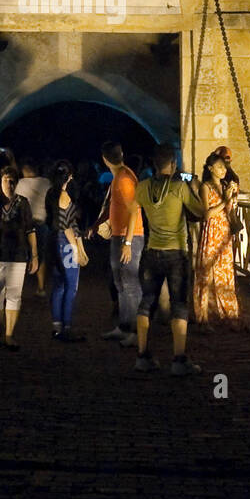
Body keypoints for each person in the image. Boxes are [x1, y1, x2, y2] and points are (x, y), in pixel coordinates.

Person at [121, 142, 206, 375]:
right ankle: (179, 359)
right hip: (176, 253)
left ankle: (142, 354)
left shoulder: (144, 186)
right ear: (173, 163)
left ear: (154, 164)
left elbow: (132, 208)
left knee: (147, 302)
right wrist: (195, 188)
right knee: (179, 304)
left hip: (151, 251)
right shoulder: (179, 187)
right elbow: (201, 212)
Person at [0, 165, 38, 350]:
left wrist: (35, 255)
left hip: (18, 254)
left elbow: (30, 229)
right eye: (6, 180)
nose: (10, 184)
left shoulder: (23, 203)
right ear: (1, 181)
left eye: (13, 181)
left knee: (14, 295)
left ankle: (9, 335)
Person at [98, 142, 144, 348]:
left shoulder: (124, 179)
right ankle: (124, 326)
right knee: (121, 283)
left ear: (104, 159)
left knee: (131, 285)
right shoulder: (122, 176)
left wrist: (127, 241)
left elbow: (134, 210)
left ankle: (134, 331)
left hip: (128, 237)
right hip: (119, 236)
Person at [192, 151, 241, 327]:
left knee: (225, 272)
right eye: (219, 167)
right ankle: (204, 315)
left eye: (224, 167)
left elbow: (230, 211)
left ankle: (228, 313)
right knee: (208, 273)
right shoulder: (206, 187)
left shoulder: (225, 185)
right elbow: (207, 214)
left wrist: (232, 197)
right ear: (211, 168)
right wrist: (224, 201)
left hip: (225, 233)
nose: (223, 170)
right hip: (212, 232)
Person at [45, 160, 89, 342]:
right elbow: (68, 225)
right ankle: (67, 326)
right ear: (69, 176)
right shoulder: (64, 196)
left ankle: (57, 326)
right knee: (71, 286)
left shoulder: (51, 194)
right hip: (66, 244)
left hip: (54, 241)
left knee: (58, 286)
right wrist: (78, 248)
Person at [15, 157, 51, 295]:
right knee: (41, 256)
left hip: (25, 225)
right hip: (42, 223)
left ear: (25, 170)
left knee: (22, 255)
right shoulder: (46, 182)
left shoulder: (21, 183)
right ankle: (41, 287)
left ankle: (19, 287)